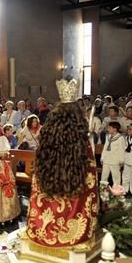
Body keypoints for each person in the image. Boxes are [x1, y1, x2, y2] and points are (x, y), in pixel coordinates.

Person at [27, 78, 98, 248]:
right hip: (74, 211)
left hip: (47, 204)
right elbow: (89, 178)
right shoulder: (82, 140)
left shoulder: (48, 135)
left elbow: (39, 170)